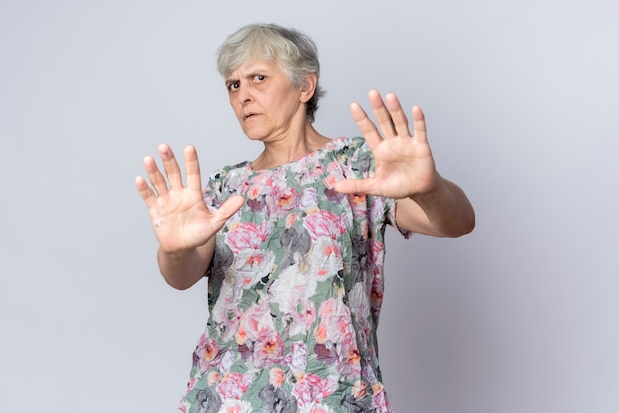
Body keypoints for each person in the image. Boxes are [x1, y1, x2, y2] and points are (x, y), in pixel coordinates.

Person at [135, 23, 475, 413]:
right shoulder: (223, 188)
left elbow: (457, 223)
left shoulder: (357, 167)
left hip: (333, 397)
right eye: (233, 85)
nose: (243, 95)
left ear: (304, 87)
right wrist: (174, 249)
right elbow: (180, 275)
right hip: (227, 397)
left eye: (257, 78)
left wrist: (428, 187)